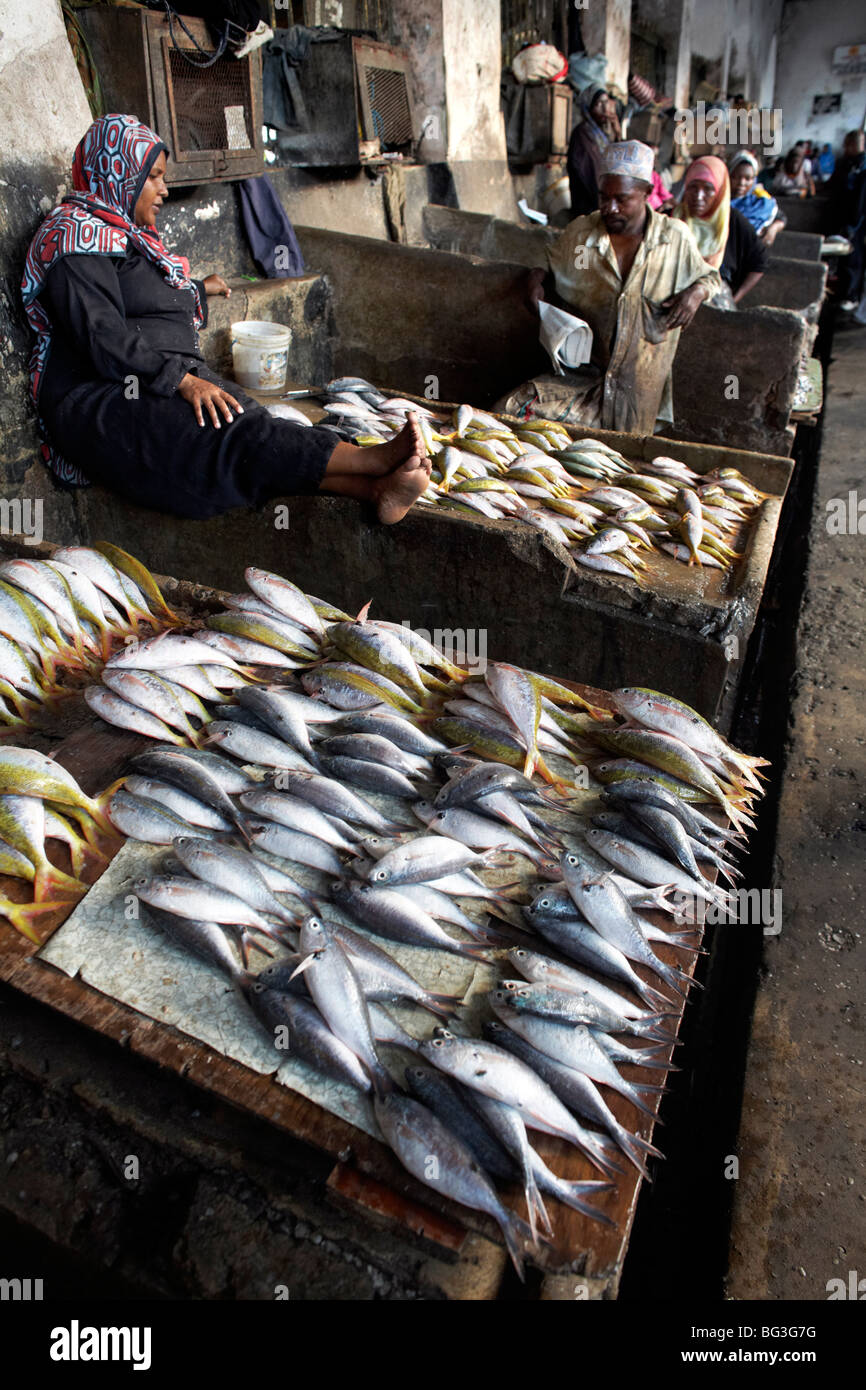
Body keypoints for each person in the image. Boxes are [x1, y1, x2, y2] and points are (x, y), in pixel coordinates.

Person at [21, 115, 430, 523]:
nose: (164, 189)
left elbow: (143, 298)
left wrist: (199, 290)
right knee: (230, 437)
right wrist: (182, 380)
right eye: (154, 177)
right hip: (102, 397)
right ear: (120, 174)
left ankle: (373, 490)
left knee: (249, 418)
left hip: (152, 377)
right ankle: (371, 461)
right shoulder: (74, 237)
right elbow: (101, 335)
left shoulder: (123, 235)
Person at [516, 141, 720, 435]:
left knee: (621, 461)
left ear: (647, 194)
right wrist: (536, 279)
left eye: (622, 199)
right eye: (604, 197)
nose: (610, 208)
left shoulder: (673, 241)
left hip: (635, 388)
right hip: (582, 376)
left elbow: (711, 277)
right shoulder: (584, 234)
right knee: (512, 413)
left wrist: (696, 293)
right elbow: (550, 266)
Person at [673, 156, 767, 305]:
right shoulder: (671, 218)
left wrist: (734, 299)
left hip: (714, 304)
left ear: (720, 191)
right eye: (693, 187)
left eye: (708, 189)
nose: (699, 196)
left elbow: (759, 261)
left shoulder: (732, 221)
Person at [567, 83, 622, 217]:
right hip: (588, 207)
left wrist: (618, 133)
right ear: (588, 108)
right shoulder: (583, 134)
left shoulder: (601, 135)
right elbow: (592, 174)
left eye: (605, 103)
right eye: (598, 104)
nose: (604, 109)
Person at [827, 131, 866, 311]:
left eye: (847, 144)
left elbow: (860, 201)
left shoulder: (862, 166)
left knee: (853, 259)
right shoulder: (847, 163)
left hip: (856, 222)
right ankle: (842, 293)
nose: (844, 148)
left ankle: (850, 296)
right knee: (843, 258)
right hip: (842, 218)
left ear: (854, 144)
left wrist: (854, 224)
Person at [729, 151, 786, 247]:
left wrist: (773, 229)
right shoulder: (719, 201)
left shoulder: (760, 203)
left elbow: (781, 218)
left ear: (754, 180)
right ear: (728, 176)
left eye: (748, 178)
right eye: (736, 177)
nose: (741, 183)